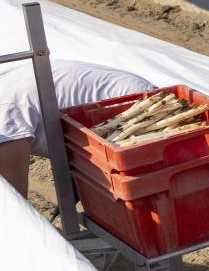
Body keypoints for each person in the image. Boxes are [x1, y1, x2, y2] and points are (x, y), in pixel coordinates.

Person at [0, 59, 152, 196]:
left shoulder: (5, 118)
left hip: (142, 113)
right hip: (134, 98)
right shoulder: (8, 84)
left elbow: (15, 199)